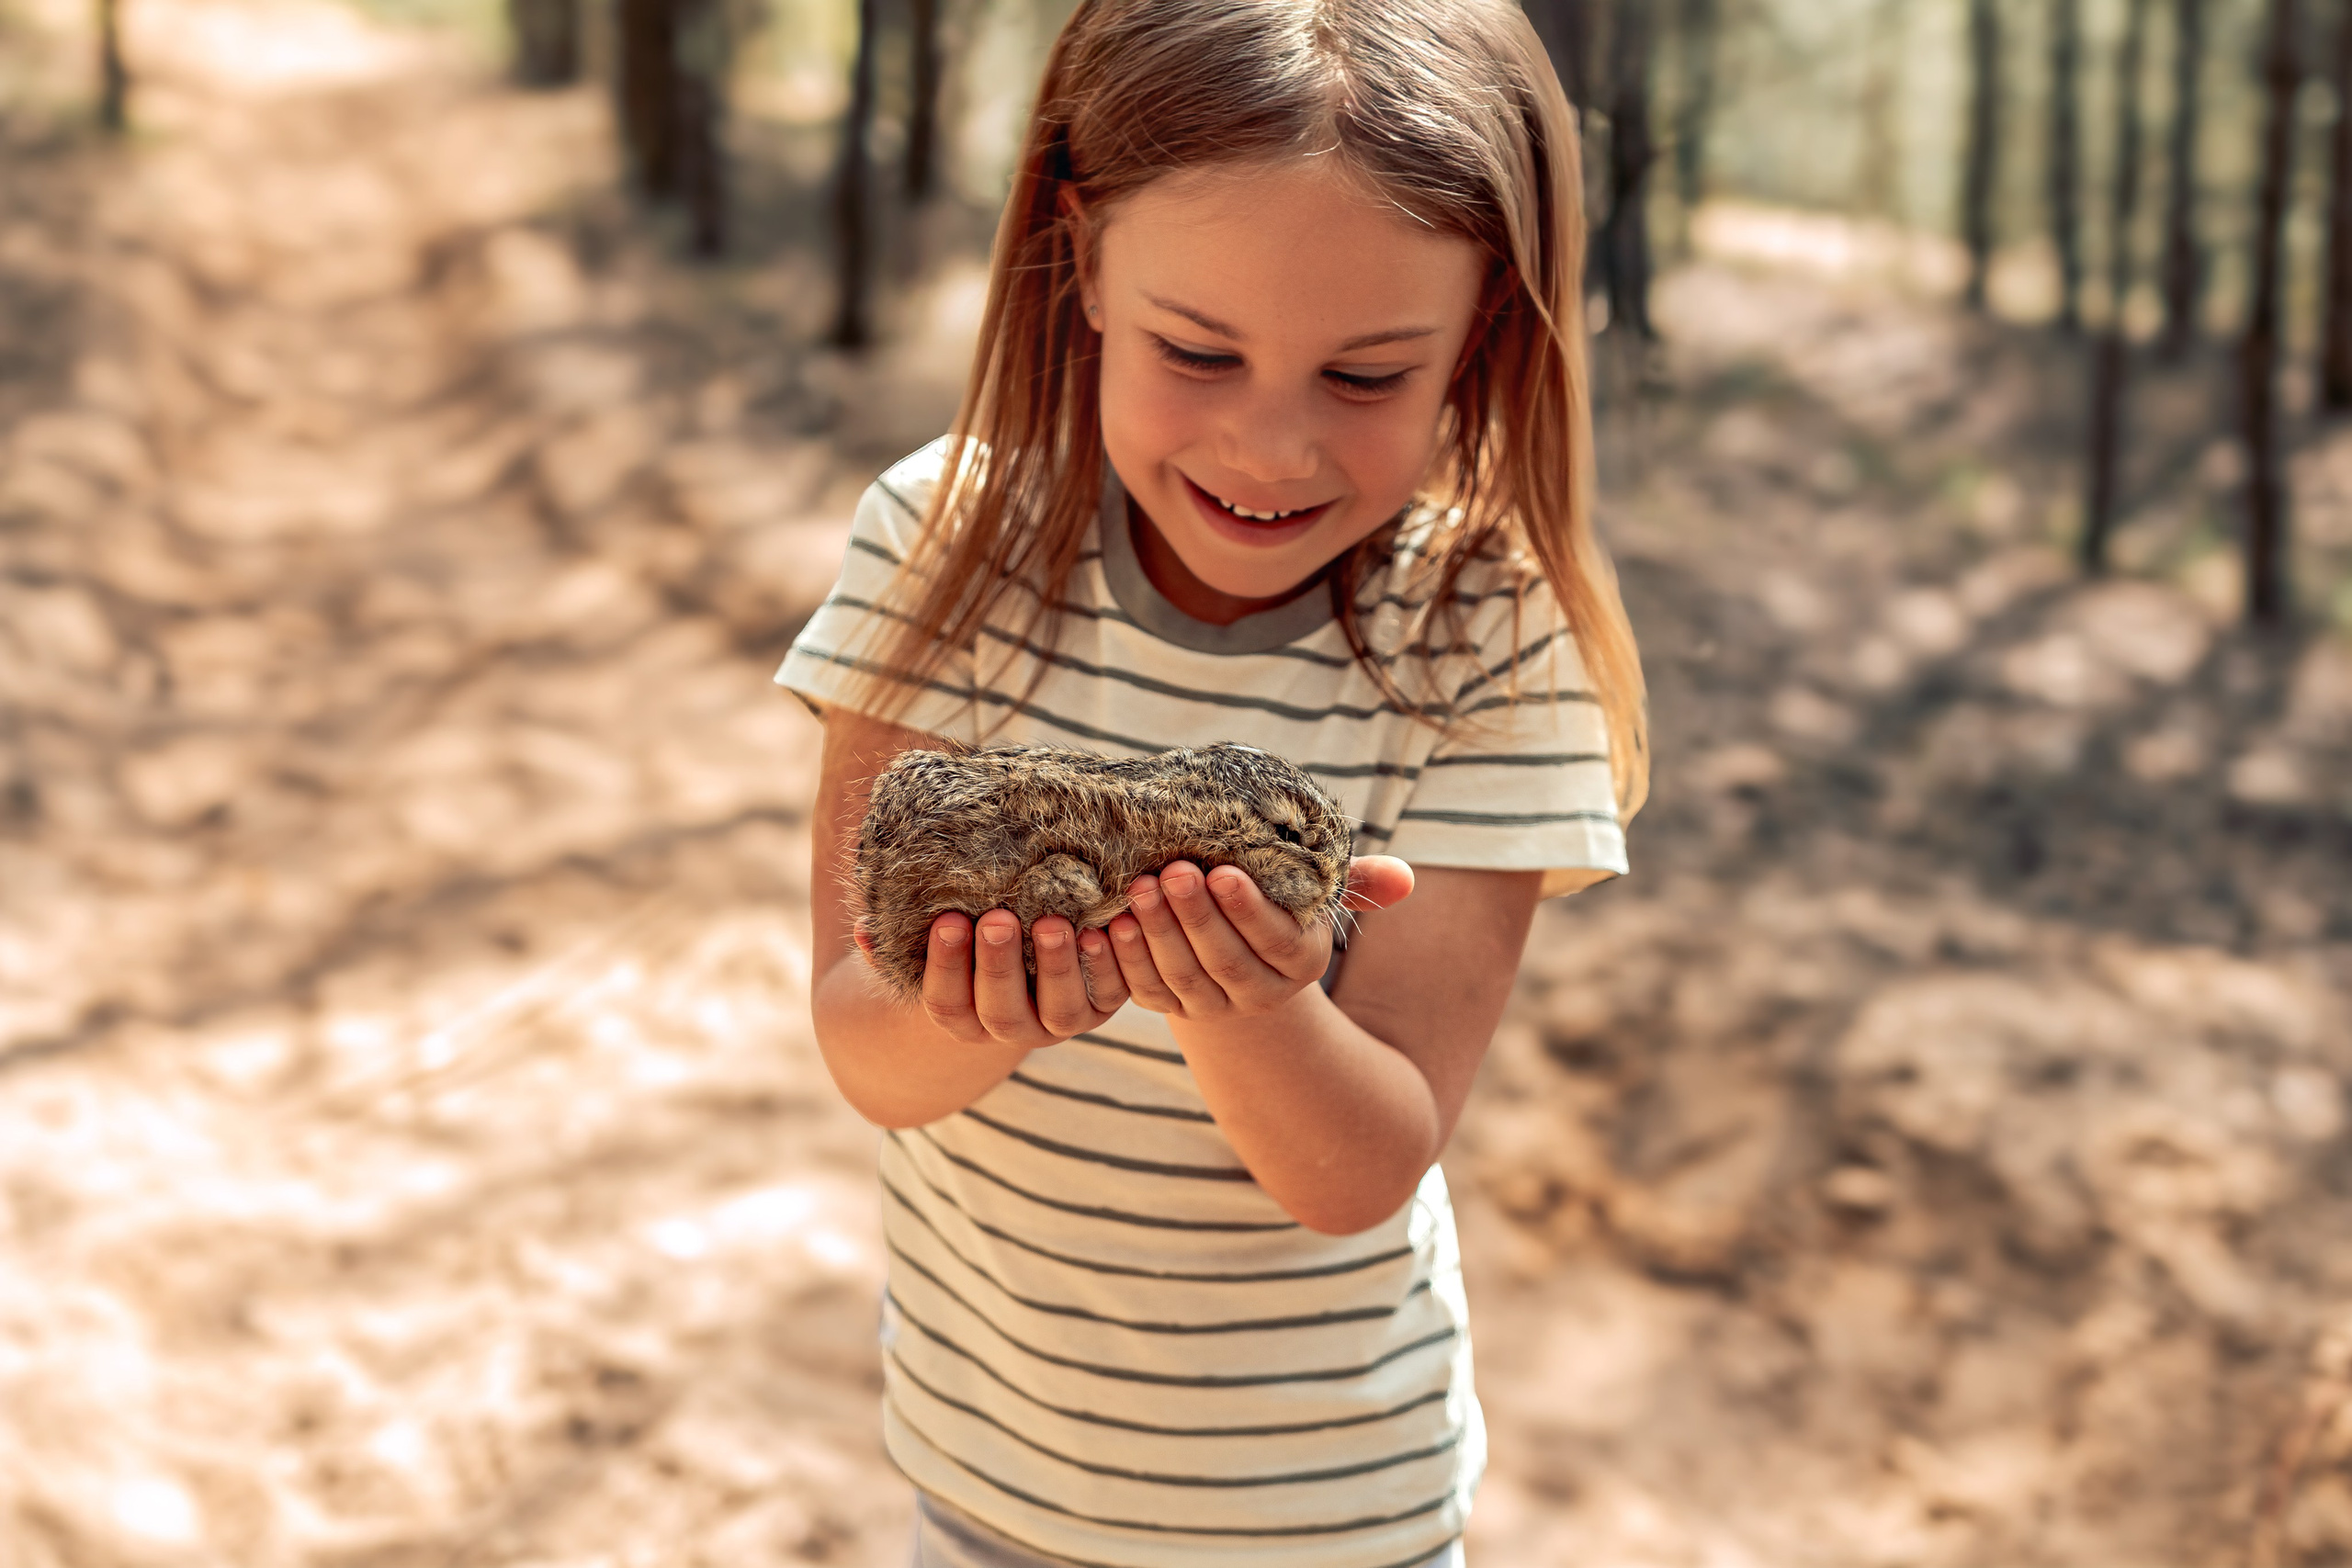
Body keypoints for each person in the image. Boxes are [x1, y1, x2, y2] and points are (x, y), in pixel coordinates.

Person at [779, 3, 1648, 1563]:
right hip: (986, 1497)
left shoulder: (1487, 634)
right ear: (1085, 256)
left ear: (1481, 342)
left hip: (1330, 1520)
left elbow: (1363, 1164)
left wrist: (1252, 1005)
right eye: (1200, 351)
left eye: (1369, 376)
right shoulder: (943, 547)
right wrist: (973, 1008)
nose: (1271, 444)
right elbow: (864, 1046)